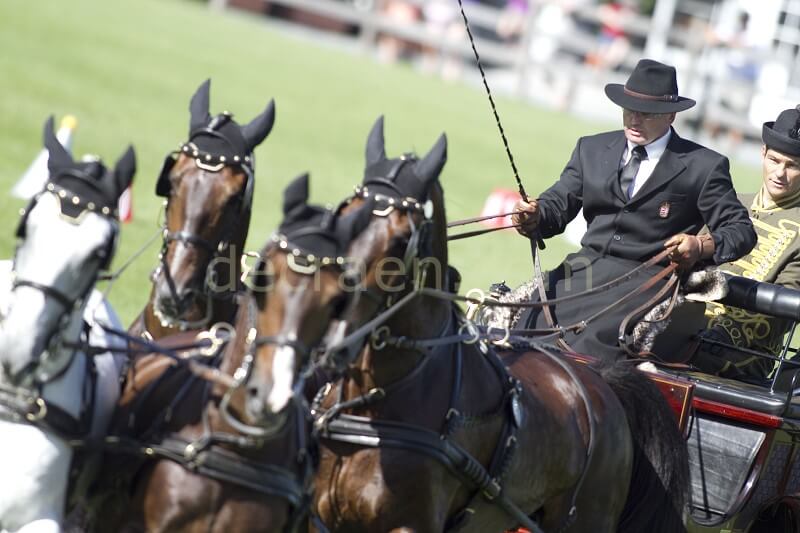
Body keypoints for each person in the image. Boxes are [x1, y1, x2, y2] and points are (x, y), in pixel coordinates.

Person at [511, 58, 757, 362]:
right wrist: (534, 215)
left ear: (670, 115)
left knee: (590, 345)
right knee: (523, 327)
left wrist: (700, 246)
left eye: (647, 113)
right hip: (583, 270)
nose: (634, 120)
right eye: (629, 109)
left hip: (649, 281)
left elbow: (741, 231)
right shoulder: (591, 149)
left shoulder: (703, 166)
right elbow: (557, 204)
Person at [682, 107, 800, 381]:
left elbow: (782, 310)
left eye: (792, 165)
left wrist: (725, 333)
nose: (780, 173)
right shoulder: (732, 204)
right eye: (774, 160)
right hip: (688, 325)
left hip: (744, 352)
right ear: (763, 153)